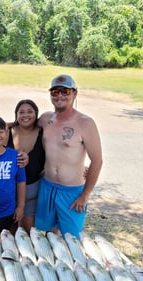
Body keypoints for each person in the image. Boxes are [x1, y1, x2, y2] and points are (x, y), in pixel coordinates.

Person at [35, 74, 102, 239]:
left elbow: (97, 161)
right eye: (55, 91)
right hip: (47, 186)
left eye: (64, 91)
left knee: (72, 238)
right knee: (49, 234)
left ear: (74, 93)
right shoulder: (45, 119)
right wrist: (6, 125)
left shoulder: (85, 123)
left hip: (72, 192)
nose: (59, 95)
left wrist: (85, 195)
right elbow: (24, 127)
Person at [7, 100, 45, 231]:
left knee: (28, 230)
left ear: (36, 114)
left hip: (33, 189)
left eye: (30, 111)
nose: (25, 115)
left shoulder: (44, 133)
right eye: (21, 112)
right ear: (16, 115)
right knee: (9, 229)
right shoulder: (6, 132)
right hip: (10, 190)